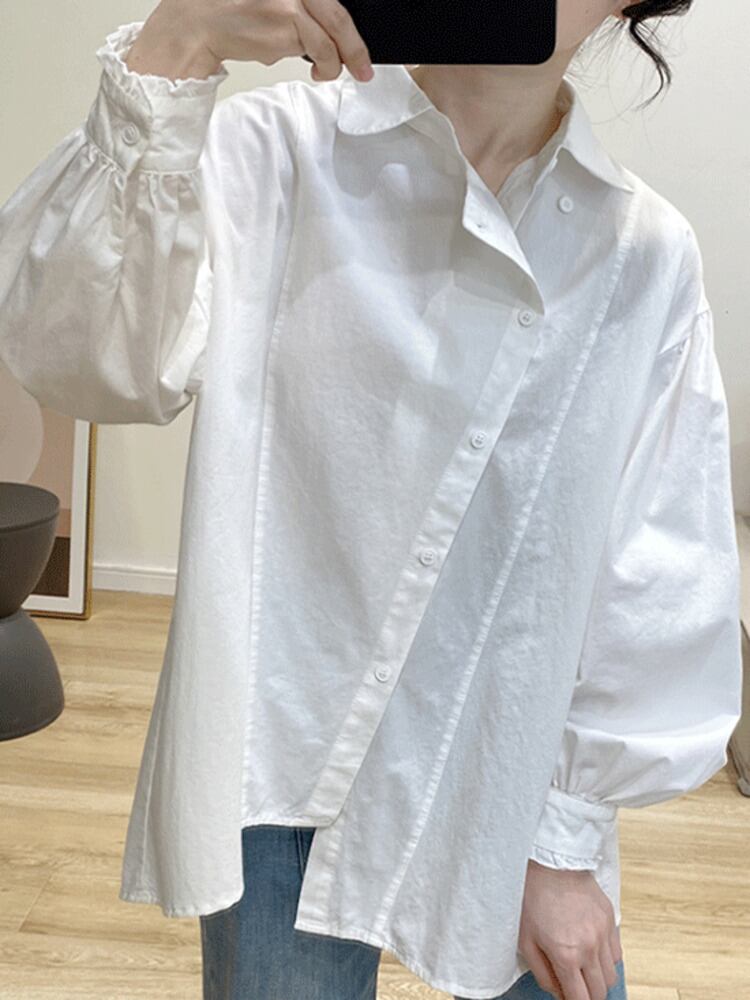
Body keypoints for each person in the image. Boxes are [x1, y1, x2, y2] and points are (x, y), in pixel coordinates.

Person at [0, 2, 741, 1000]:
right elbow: (76, 357)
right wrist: (181, 39)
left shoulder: (640, 253)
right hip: (280, 751)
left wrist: (565, 843)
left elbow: (655, 572)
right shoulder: (270, 154)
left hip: (508, 777)